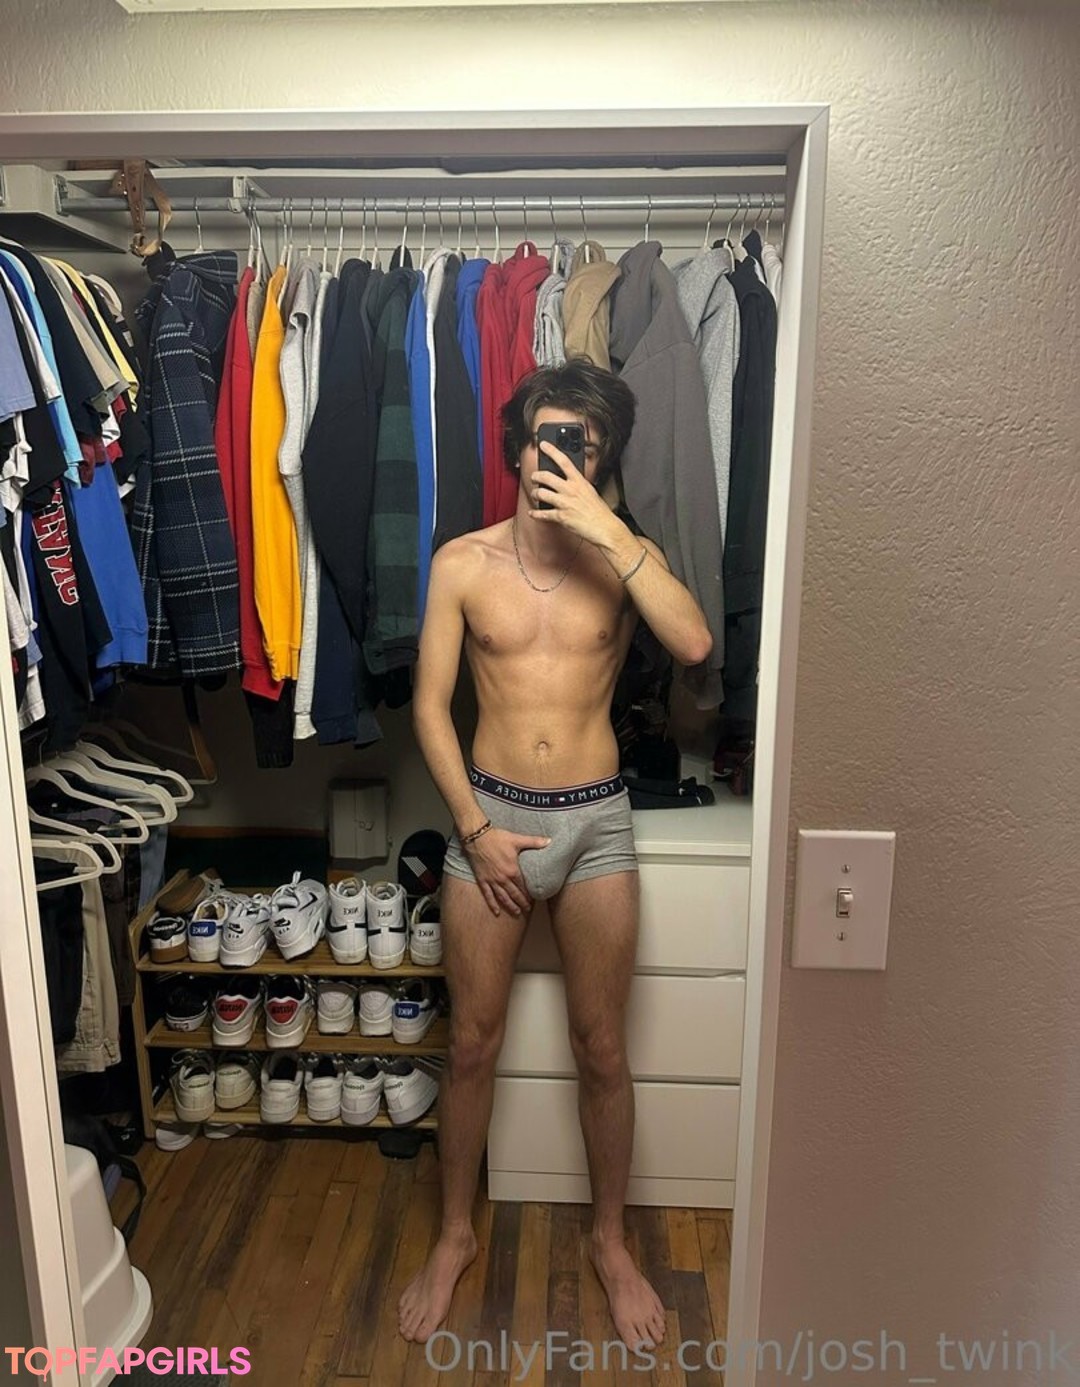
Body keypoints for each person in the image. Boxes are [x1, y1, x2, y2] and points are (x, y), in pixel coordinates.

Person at [399, 358, 713, 1350]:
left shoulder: (626, 557)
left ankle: (609, 1243)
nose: (563, 456)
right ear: (518, 444)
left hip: (596, 826)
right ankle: (454, 1233)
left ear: (604, 455)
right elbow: (429, 708)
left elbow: (694, 644)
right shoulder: (463, 562)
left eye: (584, 442)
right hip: (488, 818)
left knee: (602, 1047)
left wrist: (608, 529)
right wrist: (474, 828)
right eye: (549, 437)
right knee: (473, 1041)